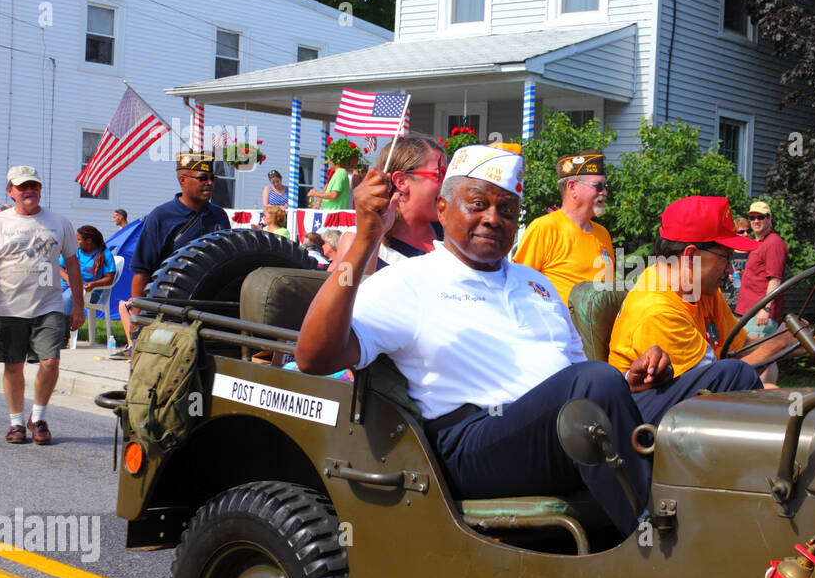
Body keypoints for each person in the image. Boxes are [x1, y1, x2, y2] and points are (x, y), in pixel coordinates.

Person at [297, 145, 716, 538]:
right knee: (592, 386)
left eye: (508, 209)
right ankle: (660, 544)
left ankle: (737, 524)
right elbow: (314, 356)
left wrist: (631, 380)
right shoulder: (409, 281)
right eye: (478, 204)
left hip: (559, 427)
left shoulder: (537, 284)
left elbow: (574, 373)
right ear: (443, 208)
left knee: (720, 378)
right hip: (475, 443)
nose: (494, 218)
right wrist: (367, 237)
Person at [607, 196, 815, 411]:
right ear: (691, 256)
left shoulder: (701, 290)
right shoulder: (657, 311)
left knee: (776, 394)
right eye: (726, 257)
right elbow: (722, 382)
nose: (730, 268)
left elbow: (742, 346)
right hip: (649, 420)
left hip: (690, 407)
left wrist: (814, 342)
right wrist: (783, 339)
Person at [0, 166, 83, 444]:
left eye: (33, 185)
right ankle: (16, 424)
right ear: (10, 191)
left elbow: (72, 263)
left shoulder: (59, 222)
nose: (29, 190)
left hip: (48, 305)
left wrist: (78, 306)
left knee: (50, 361)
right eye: (22, 186)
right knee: (13, 366)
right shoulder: (0, 223)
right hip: (7, 306)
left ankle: (39, 417)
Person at [122, 153, 231, 359]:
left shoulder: (219, 216)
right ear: (183, 180)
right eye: (202, 178)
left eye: (212, 179)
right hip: (168, 311)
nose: (209, 183)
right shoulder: (161, 217)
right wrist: (137, 317)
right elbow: (142, 271)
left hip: (210, 310)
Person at [333, 135, 446, 274]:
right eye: (440, 175)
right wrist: (372, 239)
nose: (448, 185)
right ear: (401, 182)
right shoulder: (355, 239)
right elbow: (346, 286)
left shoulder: (454, 236)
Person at [513, 152, 615, 305]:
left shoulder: (602, 233)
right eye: (598, 186)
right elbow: (518, 285)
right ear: (572, 187)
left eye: (605, 186)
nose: (604, 192)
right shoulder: (544, 228)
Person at [735, 200, 788, 340]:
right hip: (748, 312)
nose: (756, 221)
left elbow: (775, 279)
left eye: (760, 217)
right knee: (761, 359)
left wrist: (765, 309)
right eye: (752, 217)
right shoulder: (758, 243)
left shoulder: (773, 243)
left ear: (769, 218)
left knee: (757, 357)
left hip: (760, 315)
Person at [58, 225, 116, 321]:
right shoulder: (75, 251)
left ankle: (63, 329)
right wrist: (68, 279)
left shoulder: (105, 254)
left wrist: (93, 284)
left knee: (67, 297)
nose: (75, 242)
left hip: (89, 290)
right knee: (49, 293)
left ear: (89, 240)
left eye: (78, 240)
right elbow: (59, 266)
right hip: (68, 284)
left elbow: (109, 279)